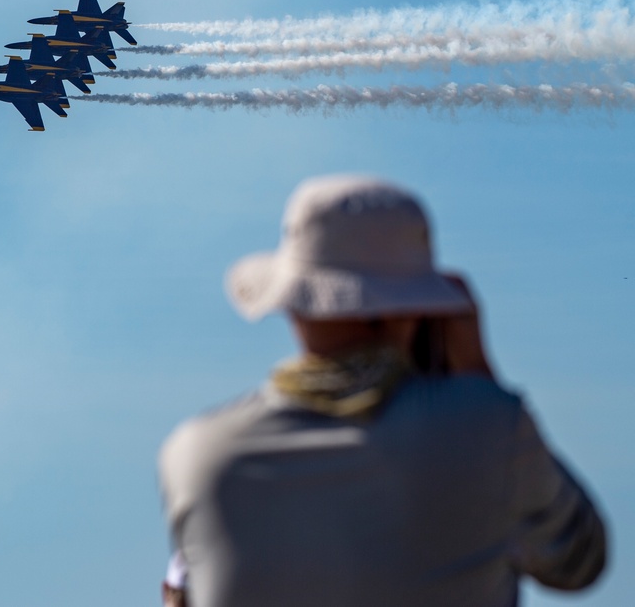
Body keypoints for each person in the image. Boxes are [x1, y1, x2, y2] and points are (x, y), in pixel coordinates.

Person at [158, 175, 607, 607]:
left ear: (294, 304)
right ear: (416, 310)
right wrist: (479, 376)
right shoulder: (488, 429)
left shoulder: (198, 453)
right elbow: (579, 561)